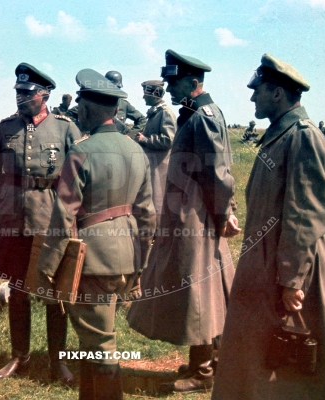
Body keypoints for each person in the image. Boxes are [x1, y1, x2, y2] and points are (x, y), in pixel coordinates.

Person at [212, 54, 325, 400]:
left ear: (277, 94)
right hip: (268, 265)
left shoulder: (303, 137)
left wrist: (292, 280)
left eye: (257, 91)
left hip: (288, 268)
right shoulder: (284, 135)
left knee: (290, 365)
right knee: (261, 362)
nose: (251, 98)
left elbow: (305, 216)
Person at [36, 68, 156, 400]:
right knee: (94, 342)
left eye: (81, 105)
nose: (78, 110)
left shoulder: (81, 151)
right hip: (127, 258)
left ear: (90, 108)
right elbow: (147, 214)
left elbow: (63, 215)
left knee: (101, 346)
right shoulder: (136, 150)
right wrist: (142, 265)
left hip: (94, 262)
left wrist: (46, 269)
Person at [127, 49, 240, 394]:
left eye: (174, 82)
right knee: (207, 288)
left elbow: (217, 172)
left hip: (197, 216)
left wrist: (225, 213)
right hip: (193, 213)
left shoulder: (203, 116)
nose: (169, 88)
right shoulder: (194, 113)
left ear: (193, 82)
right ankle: (209, 360)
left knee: (198, 290)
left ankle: (204, 369)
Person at [0, 63, 81, 385]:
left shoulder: (65, 128)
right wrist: (16, 192)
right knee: (18, 289)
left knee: (55, 294)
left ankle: (57, 361)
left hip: (50, 221)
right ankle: (19, 357)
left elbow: (81, 176)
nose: (20, 98)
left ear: (44, 94)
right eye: (17, 93)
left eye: (27, 93)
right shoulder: (6, 127)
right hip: (13, 221)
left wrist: (45, 194)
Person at [134, 80, 176, 226]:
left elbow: (168, 140)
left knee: (157, 198)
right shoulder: (156, 112)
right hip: (153, 163)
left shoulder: (165, 113)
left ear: (155, 94)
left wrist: (145, 139)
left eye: (146, 94)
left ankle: (157, 231)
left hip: (159, 165)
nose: (143, 97)